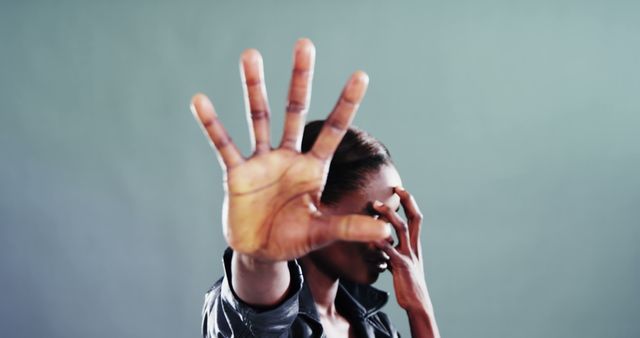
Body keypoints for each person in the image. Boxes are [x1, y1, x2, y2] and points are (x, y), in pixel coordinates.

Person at [191, 38, 440, 338]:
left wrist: (419, 307)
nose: (387, 234)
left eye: (392, 216)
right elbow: (257, 317)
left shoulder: (376, 328)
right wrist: (258, 258)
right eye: (375, 215)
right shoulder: (259, 315)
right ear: (313, 208)